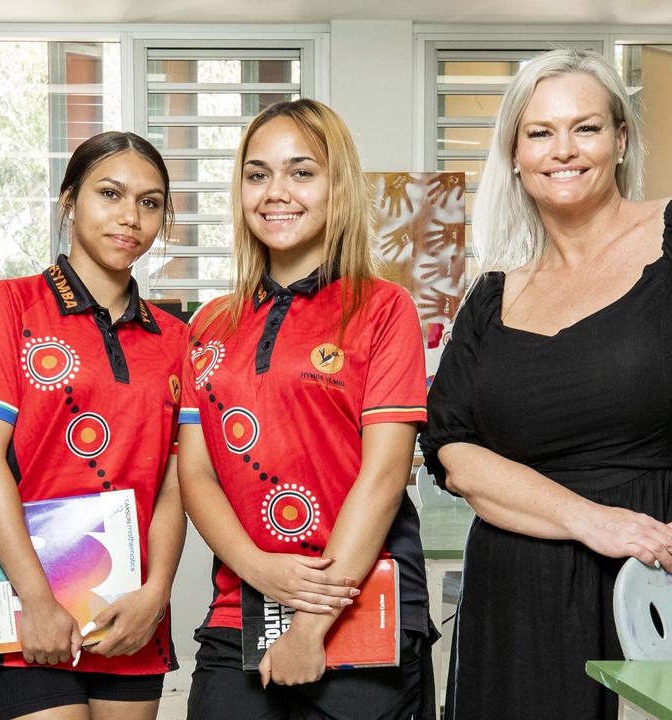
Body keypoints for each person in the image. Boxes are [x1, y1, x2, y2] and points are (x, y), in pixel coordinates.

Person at [420, 48, 672, 720]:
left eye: (585, 127)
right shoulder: (489, 300)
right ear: (515, 155)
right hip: (520, 604)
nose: (563, 150)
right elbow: (453, 451)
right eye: (540, 132)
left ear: (620, 140)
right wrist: (590, 521)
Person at [179, 98, 435, 720]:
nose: (276, 192)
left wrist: (309, 628)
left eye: (301, 171)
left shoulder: (383, 307)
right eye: (257, 173)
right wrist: (259, 569)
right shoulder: (210, 323)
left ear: (337, 187)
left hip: (362, 605)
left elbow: (384, 475)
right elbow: (197, 474)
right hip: (239, 610)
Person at [0, 131, 187, 720]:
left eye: (150, 202)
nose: (130, 217)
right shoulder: (9, 305)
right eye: (110, 193)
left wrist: (155, 596)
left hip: (128, 611)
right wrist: (36, 600)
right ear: (68, 201)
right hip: (25, 602)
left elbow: (176, 482)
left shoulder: (178, 336)